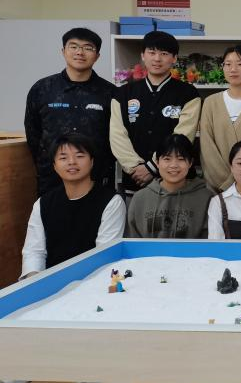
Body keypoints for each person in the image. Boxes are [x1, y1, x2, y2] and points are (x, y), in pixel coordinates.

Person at [2, 133, 125, 383]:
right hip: (51, 283)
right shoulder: (43, 203)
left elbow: (104, 256)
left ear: (92, 161)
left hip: (93, 283)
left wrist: (73, 287)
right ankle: (27, 363)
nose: (72, 162)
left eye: (79, 156)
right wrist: (35, 284)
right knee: (21, 298)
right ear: (54, 165)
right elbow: (34, 251)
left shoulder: (111, 201)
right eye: (63, 157)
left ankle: (91, 362)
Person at [24, 27, 116, 196]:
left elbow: (116, 135)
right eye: (73, 46)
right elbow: (33, 133)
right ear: (63, 51)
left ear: (97, 56)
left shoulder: (110, 92)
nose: (80, 52)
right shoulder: (42, 89)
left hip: (97, 176)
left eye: (88, 48)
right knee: (52, 213)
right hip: (51, 177)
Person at [110, 31, 201, 195]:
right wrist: (135, 167)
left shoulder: (188, 94)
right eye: (151, 52)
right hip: (134, 180)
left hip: (176, 182)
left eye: (164, 54)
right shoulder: (123, 93)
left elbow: (184, 135)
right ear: (143, 55)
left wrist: (152, 167)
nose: (157, 59)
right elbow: (117, 135)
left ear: (174, 58)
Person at [199, 45, 241, 193]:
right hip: (215, 186)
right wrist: (223, 183)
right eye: (228, 64)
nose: (233, 69)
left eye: (240, 64)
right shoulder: (210, 102)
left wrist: (237, 179)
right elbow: (207, 146)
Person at [126, 134, 212, 238]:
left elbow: (209, 241)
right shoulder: (140, 199)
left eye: (181, 159)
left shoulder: (206, 198)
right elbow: (134, 241)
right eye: (167, 159)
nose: (173, 165)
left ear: (190, 163)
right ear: (157, 162)